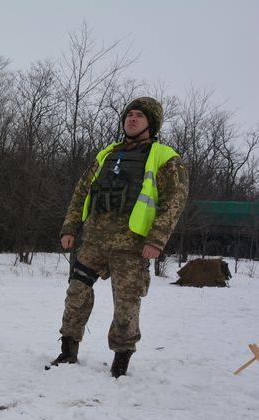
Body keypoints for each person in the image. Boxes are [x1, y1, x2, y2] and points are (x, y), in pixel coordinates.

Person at [52, 97, 189, 376]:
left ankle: (121, 361)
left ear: (151, 123)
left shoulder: (165, 158)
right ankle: (68, 351)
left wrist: (156, 240)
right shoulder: (106, 155)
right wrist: (70, 228)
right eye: (129, 115)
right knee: (76, 293)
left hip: (131, 246)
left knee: (126, 304)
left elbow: (173, 202)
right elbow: (81, 192)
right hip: (93, 242)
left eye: (139, 116)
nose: (132, 119)